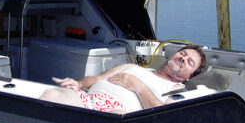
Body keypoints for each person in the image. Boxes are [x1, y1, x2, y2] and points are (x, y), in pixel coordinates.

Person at [39, 45, 207, 113]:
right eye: (182, 54)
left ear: (189, 76)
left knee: (111, 121)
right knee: (51, 95)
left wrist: (138, 87)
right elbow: (97, 78)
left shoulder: (176, 89)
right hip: (90, 99)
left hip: (119, 113)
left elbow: (161, 115)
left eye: (189, 62)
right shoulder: (132, 67)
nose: (183, 59)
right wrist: (79, 83)